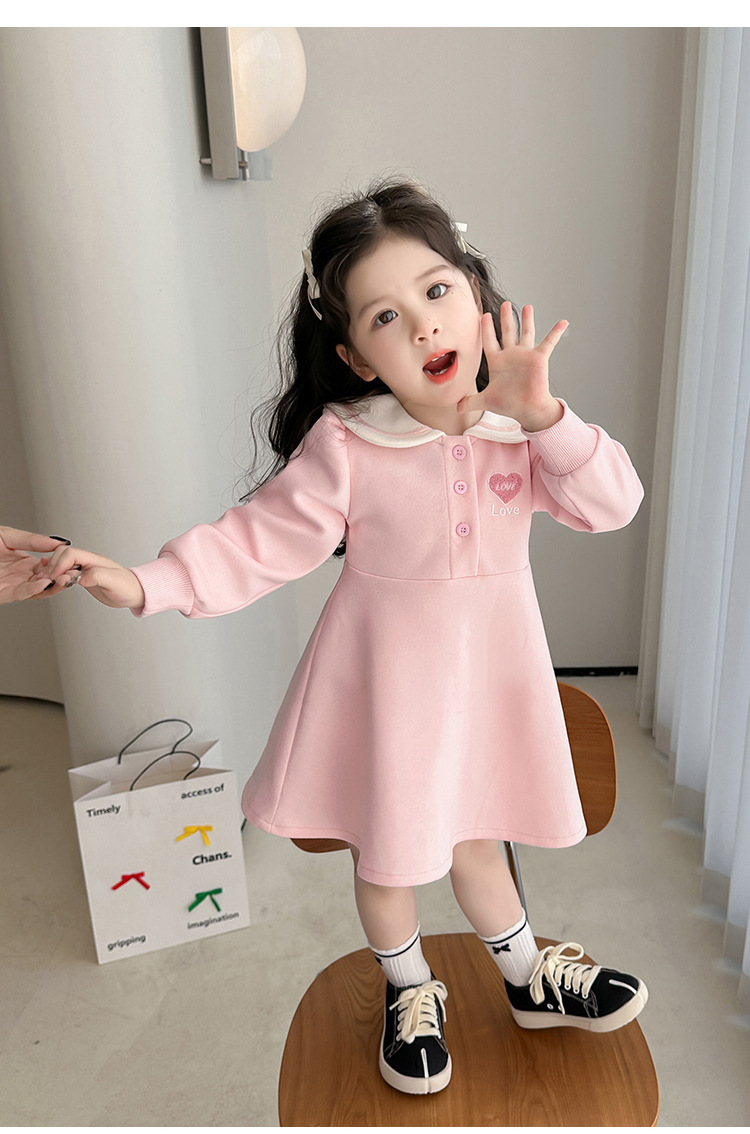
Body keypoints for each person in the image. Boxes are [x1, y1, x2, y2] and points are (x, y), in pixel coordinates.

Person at [27, 180, 648, 1096]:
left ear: (477, 295)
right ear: (355, 355)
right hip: (386, 688)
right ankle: (409, 987)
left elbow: (613, 504)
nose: (424, 325)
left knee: (479, 840)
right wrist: (142, 582)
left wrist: (547, 418)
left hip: (488, 682)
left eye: (437, 291)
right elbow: (255, 542)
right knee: (388, 853)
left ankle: (526, 978)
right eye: (386, 316)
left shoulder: (520, 428)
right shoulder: (350, 444)